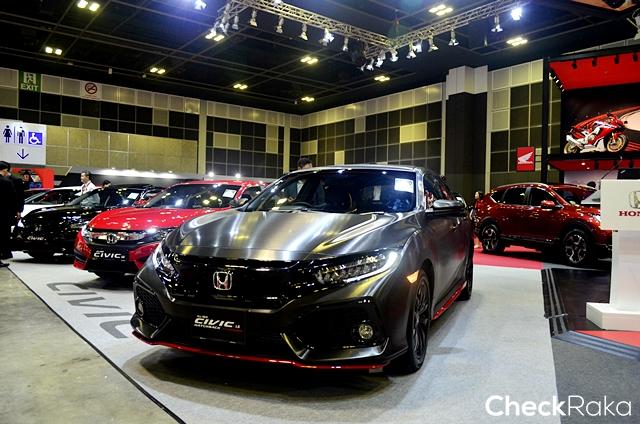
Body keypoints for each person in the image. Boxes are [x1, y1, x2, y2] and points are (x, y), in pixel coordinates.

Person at [0, 162, 19, 264]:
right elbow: (13, 198)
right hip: (4, 213)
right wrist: (15, 211)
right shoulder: (7, 182)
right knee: (3, 234)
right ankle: (3, 254)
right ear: (4, 170)